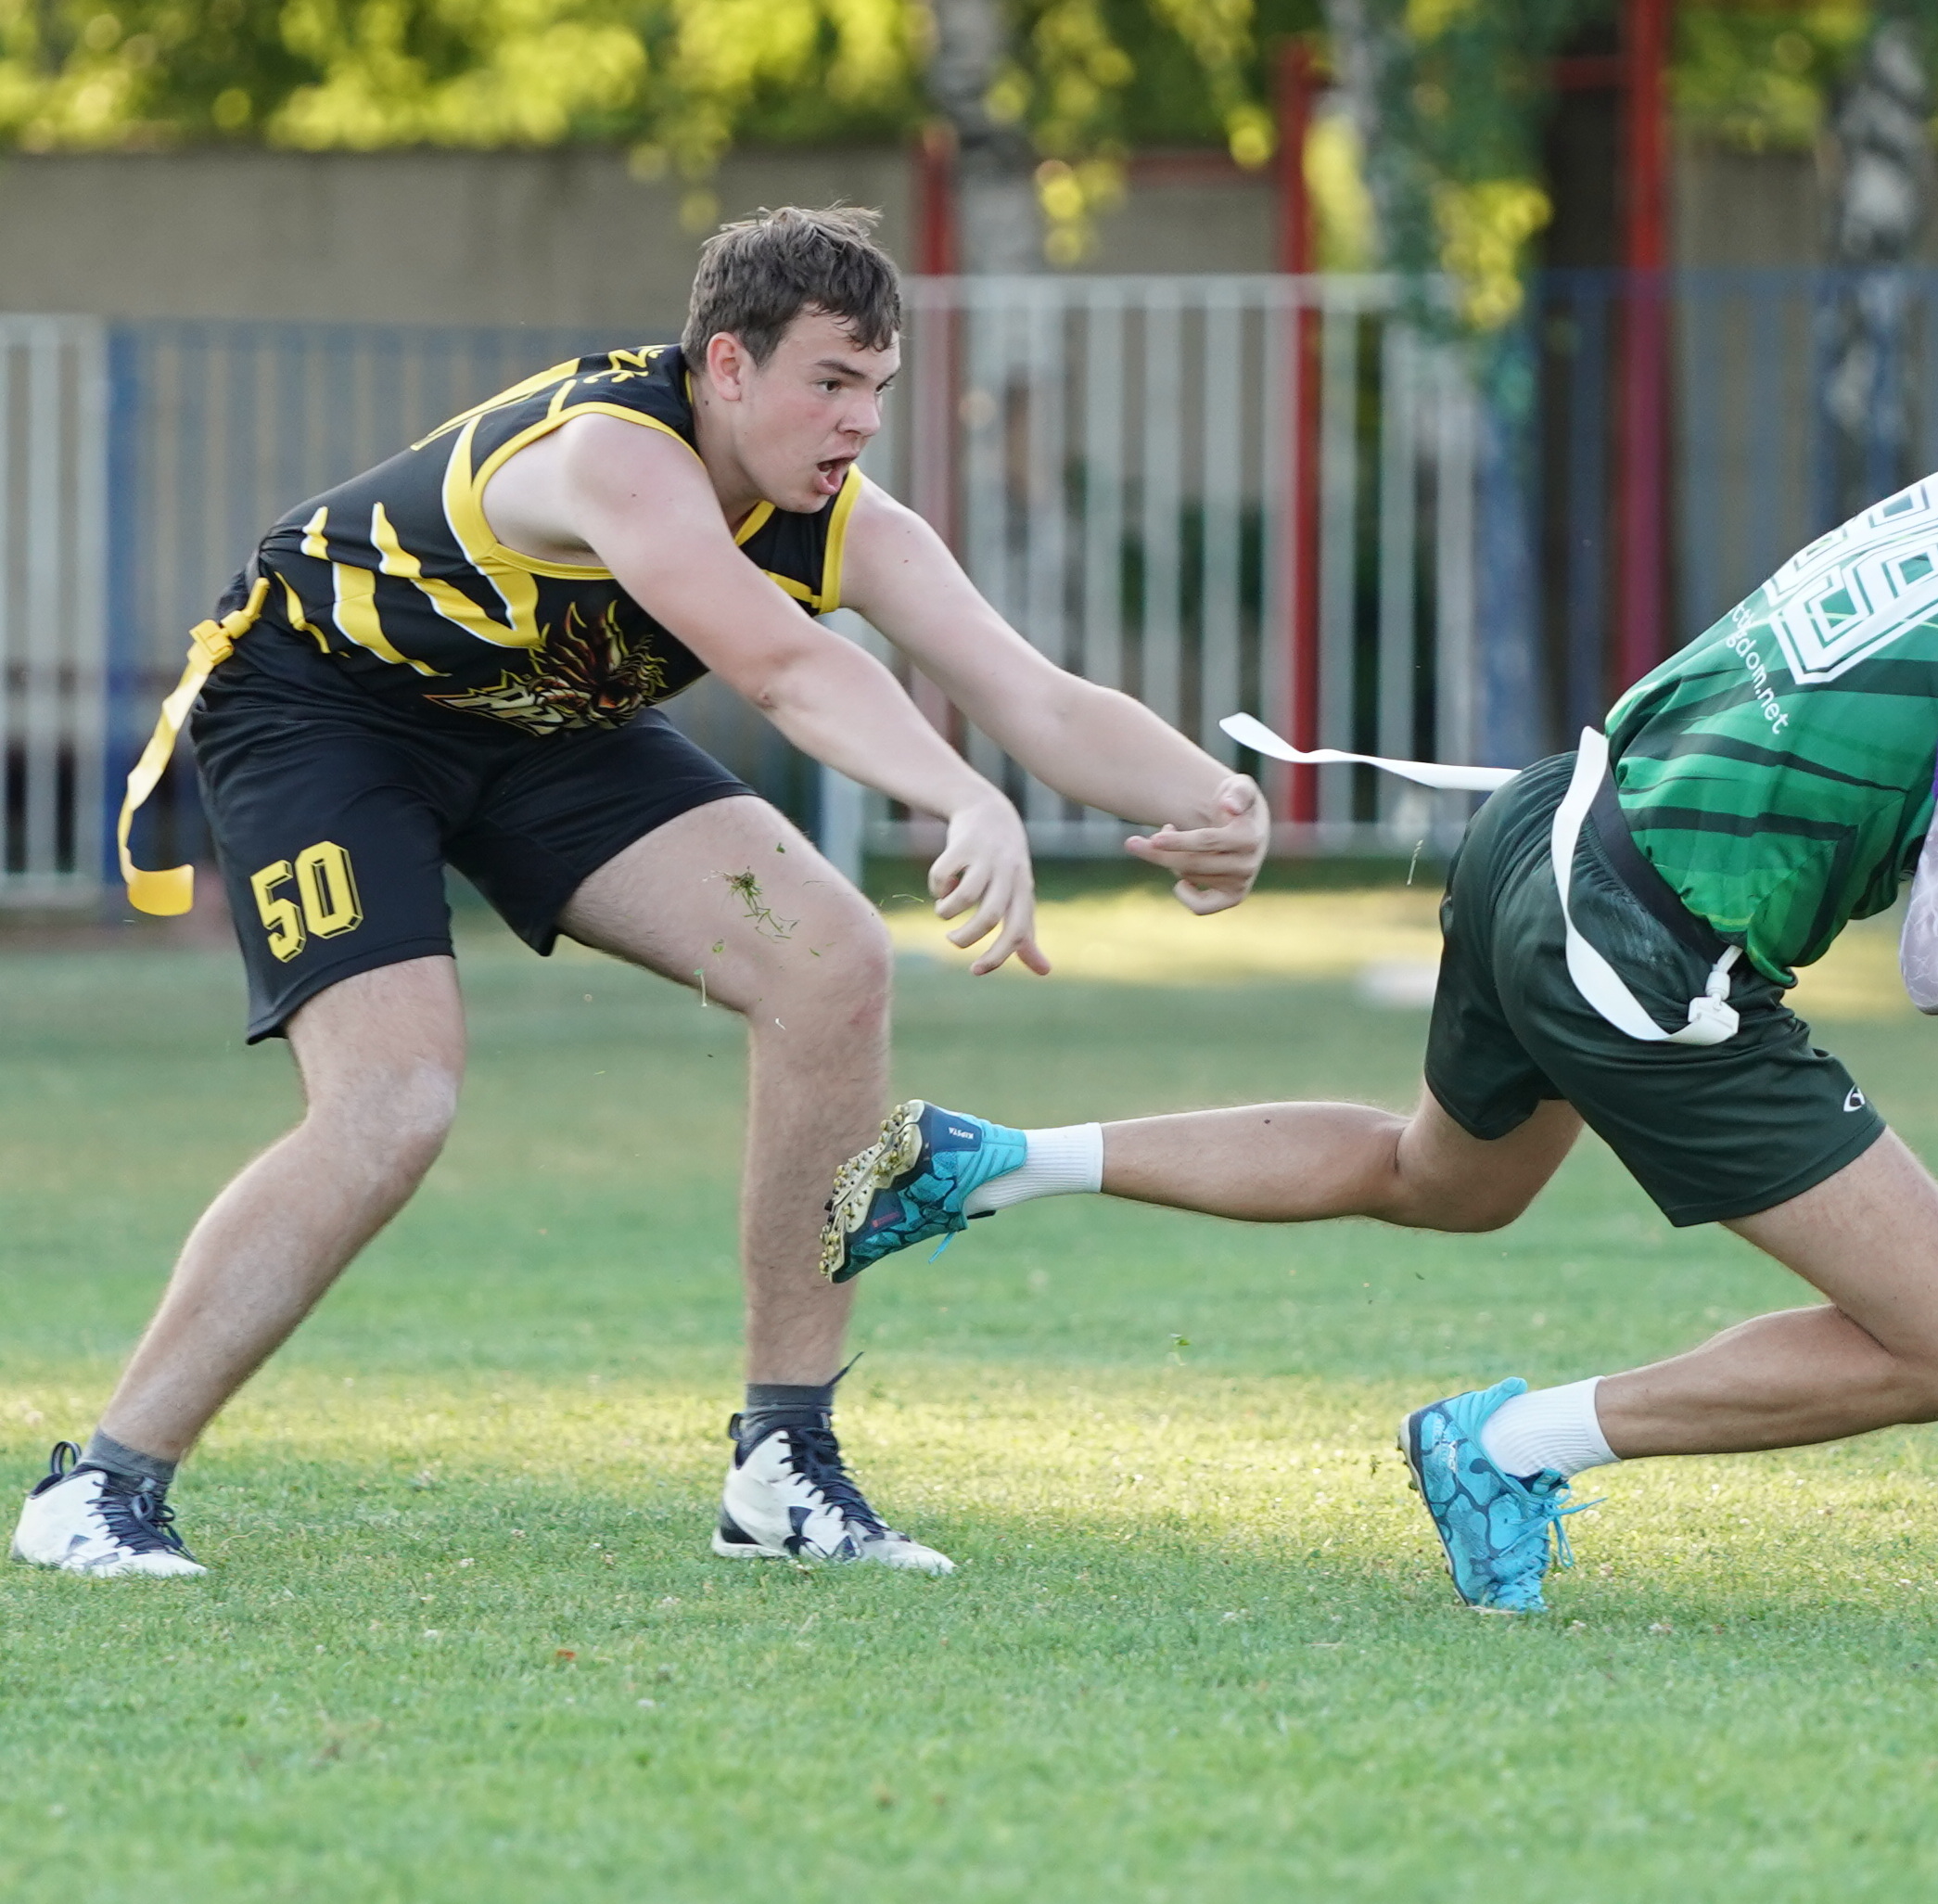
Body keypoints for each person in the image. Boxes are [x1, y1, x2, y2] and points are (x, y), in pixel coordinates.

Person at [820, 326, 1938, 1614]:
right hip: (1644, 945)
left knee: (1446, 1177)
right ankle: (1511, 1445)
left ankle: (989, 1163)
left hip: (1546, 830)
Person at [13, 206, 1269, 1579]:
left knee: (830, 958)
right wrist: (960, 797)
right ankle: (100, 1485)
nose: (857, 424)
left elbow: (1033, 691)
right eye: (829, 385)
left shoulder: (833, 514)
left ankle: (783, 1464)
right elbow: (786, 670)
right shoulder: (618, 454)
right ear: (727, 366)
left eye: (878, 391)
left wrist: (1210, 803)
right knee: (393, 1101)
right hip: (327, 713)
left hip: (541, 726)